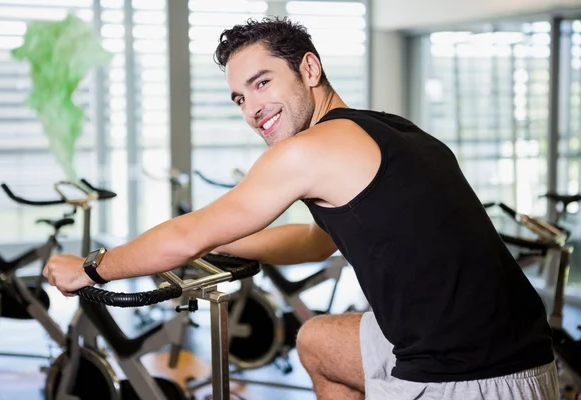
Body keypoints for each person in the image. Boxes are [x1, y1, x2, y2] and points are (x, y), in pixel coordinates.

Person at [43, 17, 559, 400]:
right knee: (316, 340)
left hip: (472, 377)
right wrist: (223, 241)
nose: (252, 108)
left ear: (309, 68)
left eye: (262, 82)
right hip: (508, 349)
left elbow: (183, 235)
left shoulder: (308, 150)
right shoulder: (382, 127)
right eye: (239, 98)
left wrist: (89, 268)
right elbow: (319, 240)